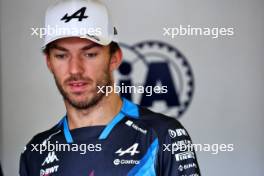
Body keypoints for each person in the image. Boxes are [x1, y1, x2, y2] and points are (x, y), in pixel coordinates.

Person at [19, 0, 201, 175]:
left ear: (115, 58)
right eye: (61, 55)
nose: (75, 69)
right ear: (49, 62)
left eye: (90, 54)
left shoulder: (162, 135)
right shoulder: (36, 152)